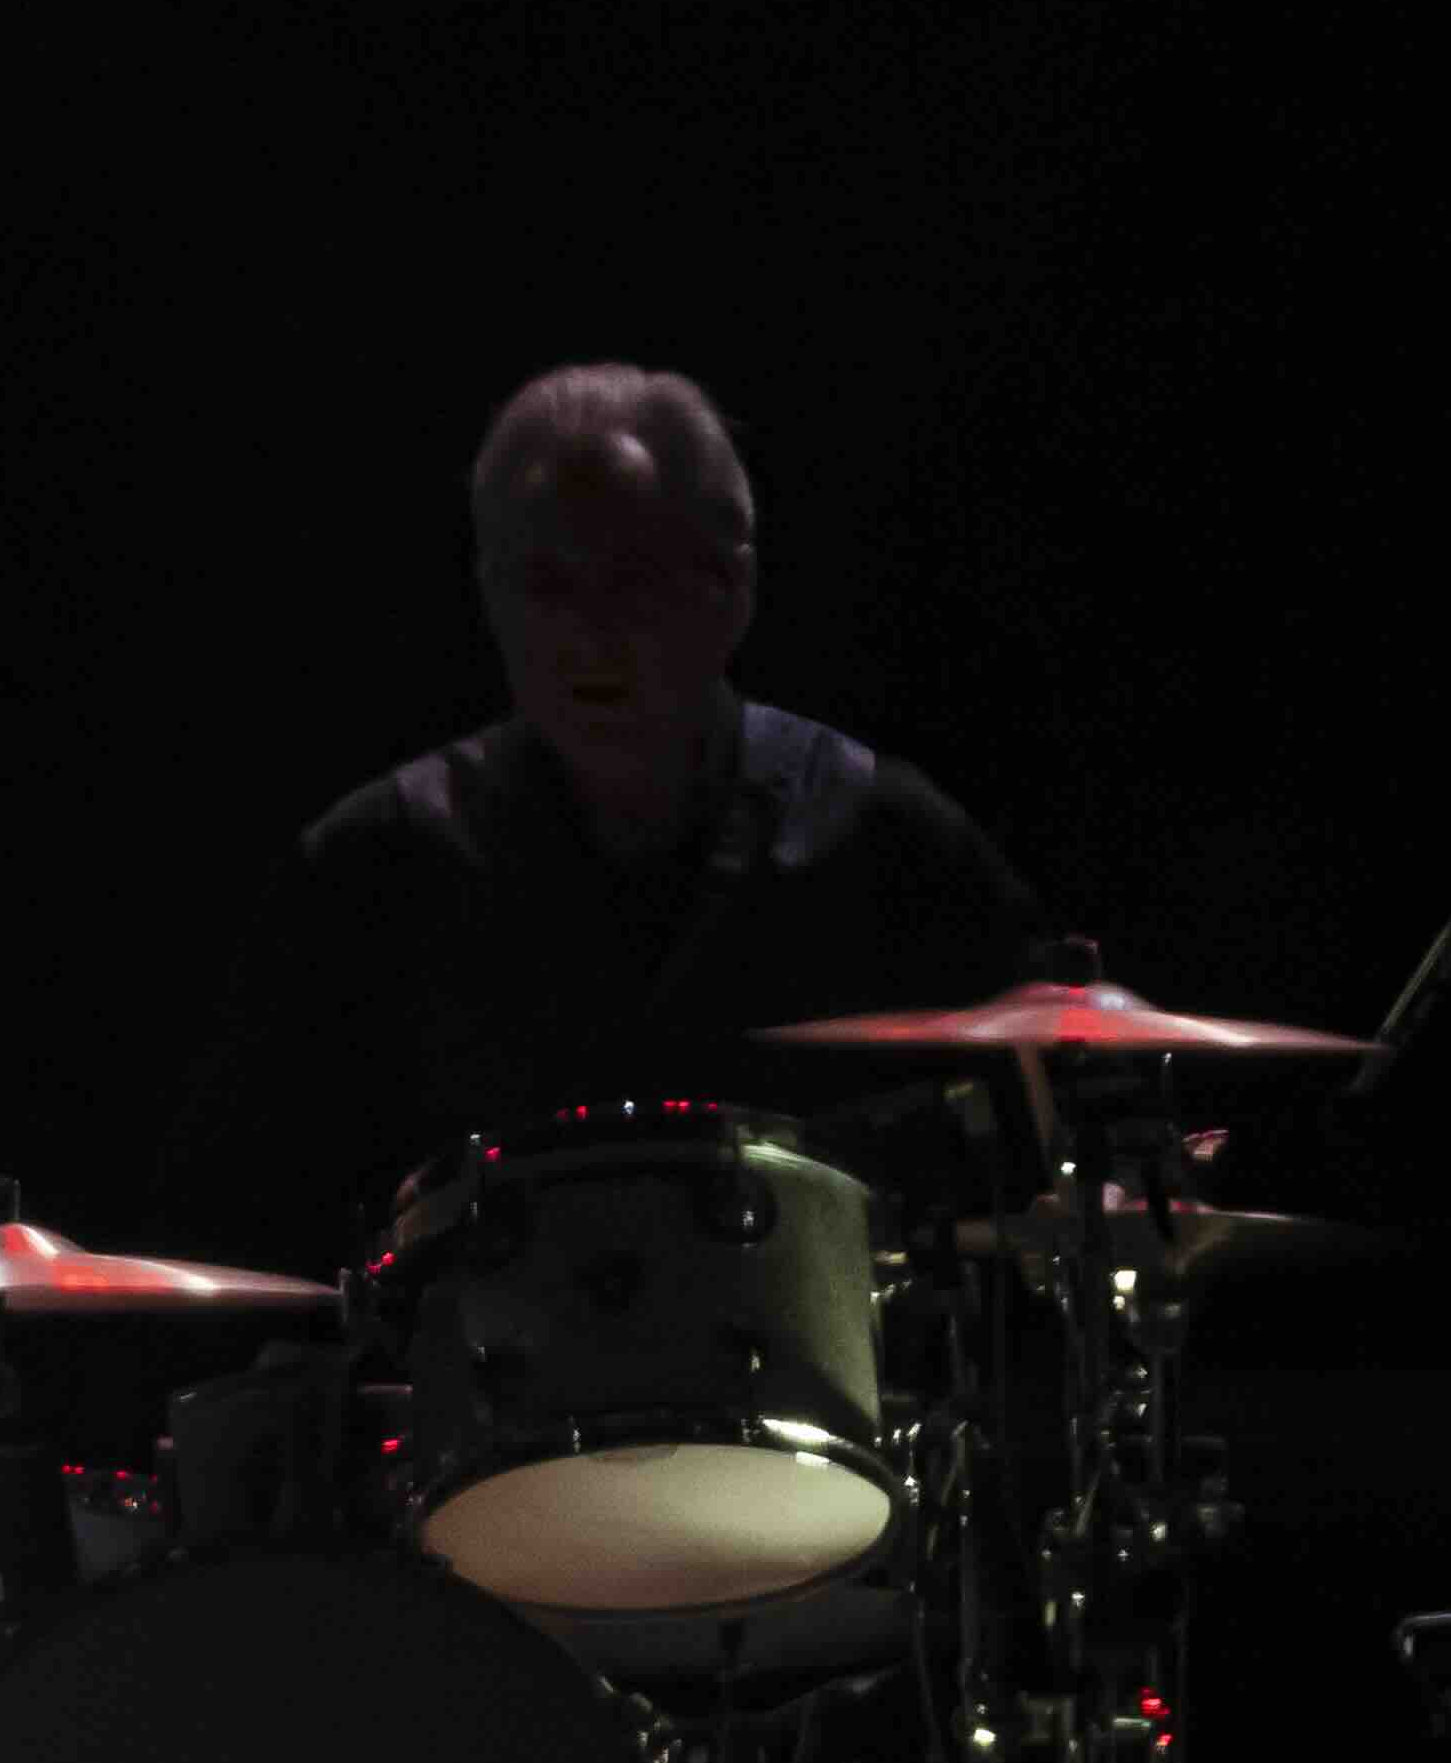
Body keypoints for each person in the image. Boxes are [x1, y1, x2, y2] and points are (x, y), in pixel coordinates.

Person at [173, 362, 1044, 1195]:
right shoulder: (375, 870)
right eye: (545, 587)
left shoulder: (881, 839)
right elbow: (230, 1220)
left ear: (731, 586)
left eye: (631, 582)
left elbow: (1044, 1161)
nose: (587, 636)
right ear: (489, 600)